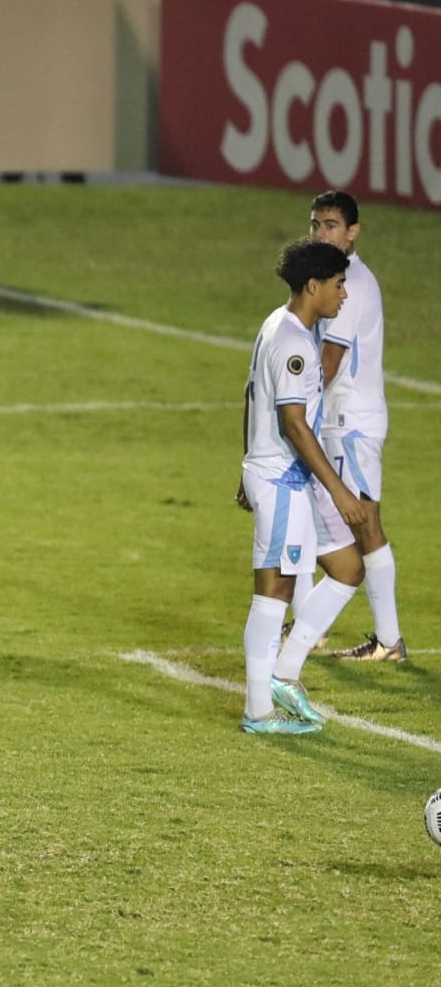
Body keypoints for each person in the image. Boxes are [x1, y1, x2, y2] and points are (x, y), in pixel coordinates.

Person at [235, 237, 367, 734]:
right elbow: (293, 422)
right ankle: (258, 711)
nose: (343, 295)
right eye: (337, 285)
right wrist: (338, 490)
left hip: (289, 475)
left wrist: (243, 462)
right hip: (284, 479)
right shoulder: (293, 342)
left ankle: (284, 674)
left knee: (348, 568)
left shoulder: (281, 325)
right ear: (313, 286)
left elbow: (250, 397)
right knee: (274, 590)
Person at [299, 192, 405, 662]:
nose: (322, 233)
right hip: (344, 421)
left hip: (351, 424)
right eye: (317, 224)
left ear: (353, 232)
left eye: (332, 225)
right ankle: (313, 624)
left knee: (363, 528)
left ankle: (388, 641)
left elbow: (329, 362)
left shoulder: (353, 285)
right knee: (315, 522)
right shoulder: (332, 278)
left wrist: (293, 408)